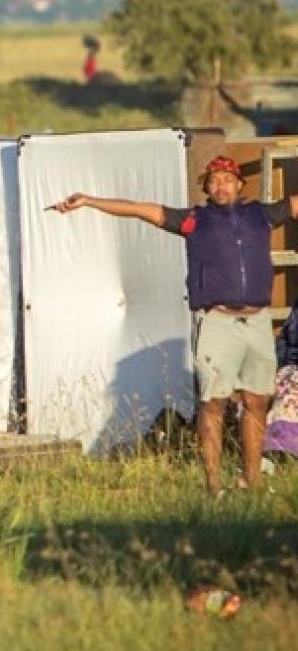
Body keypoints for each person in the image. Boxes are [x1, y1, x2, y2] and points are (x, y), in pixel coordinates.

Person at [52, 155, 298, 494]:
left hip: (257, 321)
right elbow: (140, 209)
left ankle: (251, 481)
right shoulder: (194, 221)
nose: (220, 185)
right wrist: (90, 201)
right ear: (207, 189)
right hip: (217, 322)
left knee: (256, 402)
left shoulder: (260, 215)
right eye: (213, 181)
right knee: (214, 403)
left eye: (227, 179)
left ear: (240, 184)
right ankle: (214, 486)